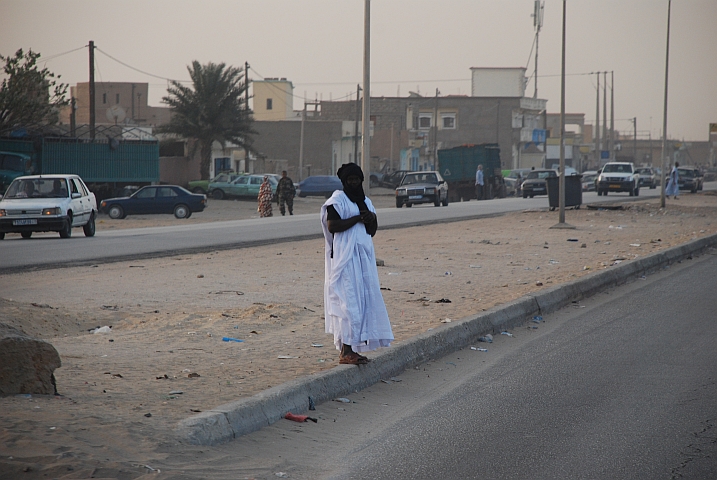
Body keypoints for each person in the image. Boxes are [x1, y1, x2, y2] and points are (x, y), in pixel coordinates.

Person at [321, 162, 394, 365]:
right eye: (350, 180)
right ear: (344, 182)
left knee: (361, 304)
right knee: (346, 305)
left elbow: (372, 230)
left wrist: (371, 218)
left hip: (363, 262)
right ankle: (345, 351)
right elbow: (333, 225)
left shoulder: (366, 202)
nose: (353, 183)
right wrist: (356, 219)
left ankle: (352, 349)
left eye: (356, 179)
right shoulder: (337, 200)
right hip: (344, 262)